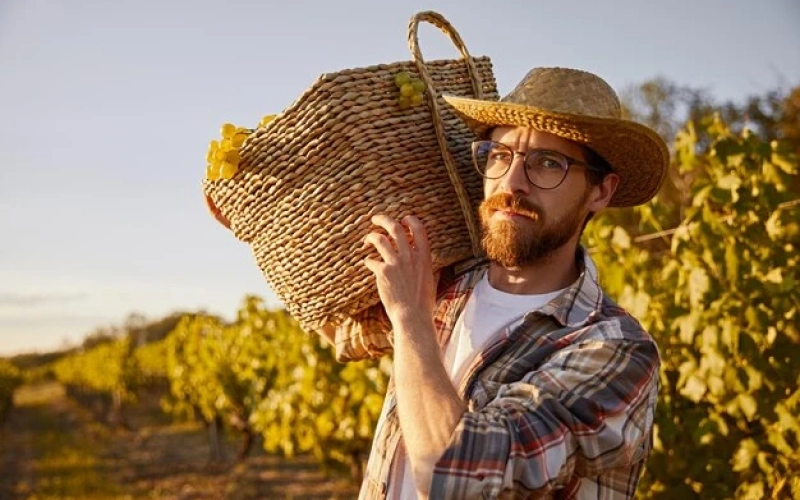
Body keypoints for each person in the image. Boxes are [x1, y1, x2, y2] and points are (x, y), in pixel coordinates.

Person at [334, 66, 670, 500]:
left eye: (548, 163)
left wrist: (411, 318)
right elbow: (345, 338)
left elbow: (452, 475)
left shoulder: (614, 349)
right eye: (499, 155)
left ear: (600, 192)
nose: (511, 183)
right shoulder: (447, 287)